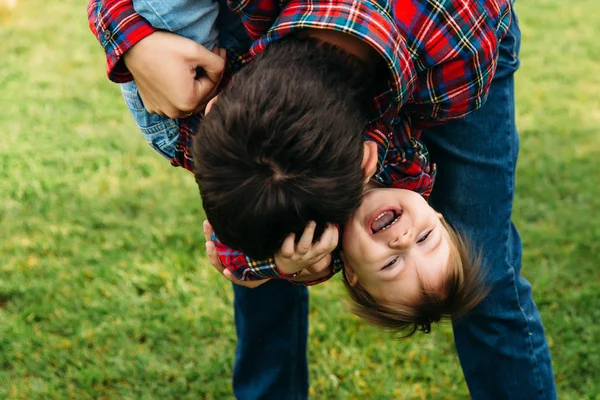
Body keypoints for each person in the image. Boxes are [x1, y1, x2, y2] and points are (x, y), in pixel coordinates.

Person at [88, 0, 557, 399]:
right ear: (434, 208)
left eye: (392, 264)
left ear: (350, 269)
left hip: (436, 45)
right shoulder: (405, 168)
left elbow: (234, 250)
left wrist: (282, 265)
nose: (403, 240)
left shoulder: (454, 55)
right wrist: (130, 39)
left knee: (485, 276)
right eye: (428, 237)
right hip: (352, 58)